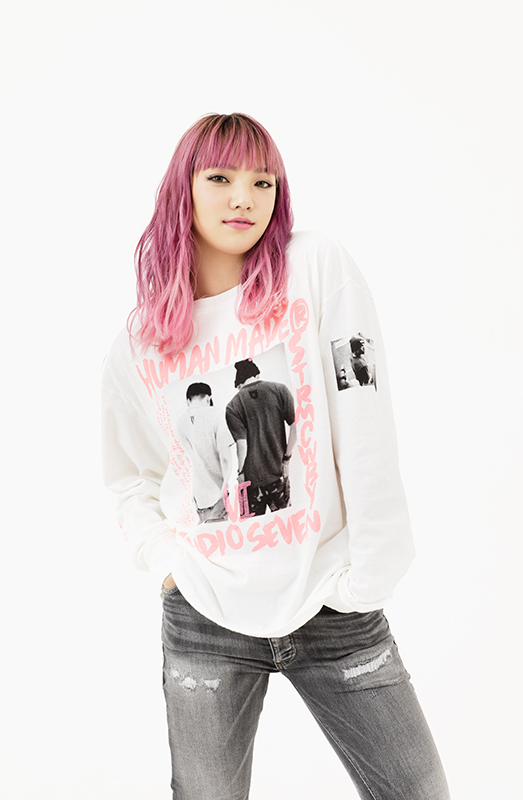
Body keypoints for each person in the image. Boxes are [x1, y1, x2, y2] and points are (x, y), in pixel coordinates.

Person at [102, 113, 450, 799]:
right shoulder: (139, 342)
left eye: (263, 182)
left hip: (332, 606)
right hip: (204, 615)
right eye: (220, 178)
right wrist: (167, 562)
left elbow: (363, 414)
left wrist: (372, 572)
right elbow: (130, 477)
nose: (244, 198)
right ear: (181, 190)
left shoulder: (314, 267)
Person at [225, 357, 296, 516]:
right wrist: (286, 458)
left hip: (250, 483)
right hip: (278, 475)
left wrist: (240, 473)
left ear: (239, 384)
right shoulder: (280, 390)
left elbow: (242, 445)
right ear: (257, 375)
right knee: (287, 522)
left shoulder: (232, 406)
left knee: (252, 527)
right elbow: (295, 427)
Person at [176, 382, 234, 523]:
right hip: (218, 495)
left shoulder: (180, 422)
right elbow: (225, 457)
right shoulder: (217, 414)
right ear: (208, 398)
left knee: (208, 536)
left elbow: (189, 461)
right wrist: (226, 487)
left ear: (188, 401)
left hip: (199, 498)